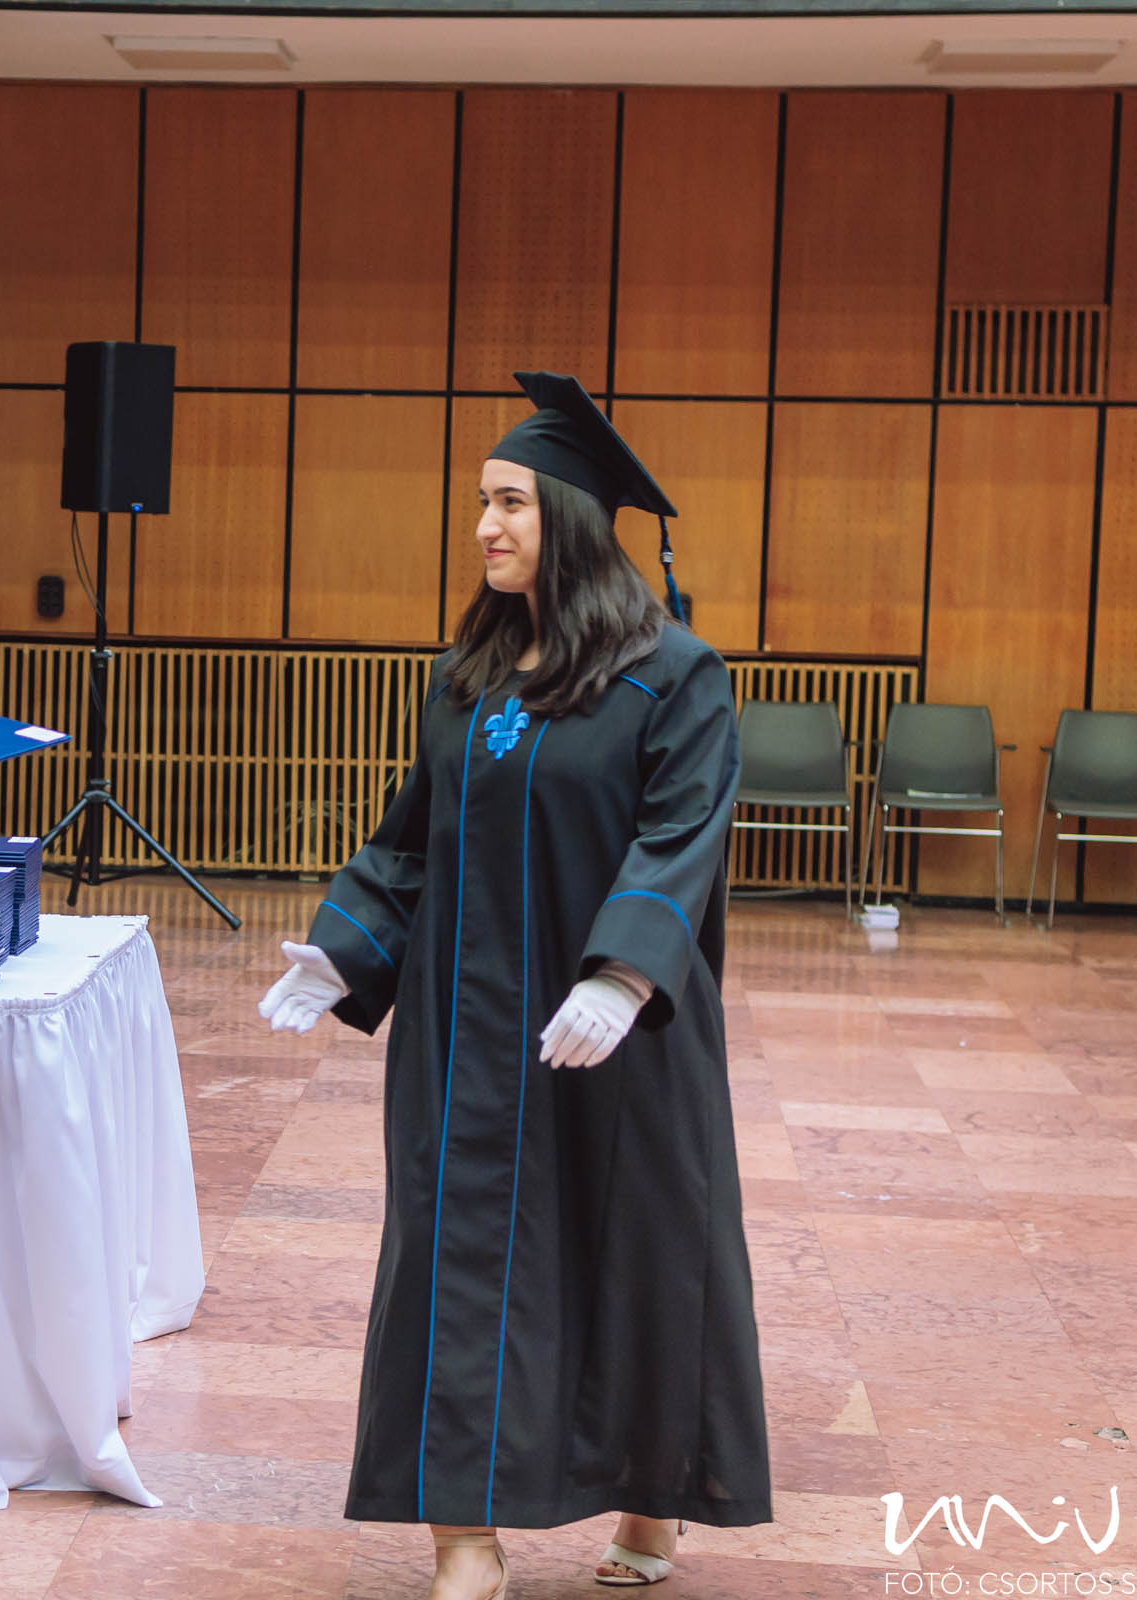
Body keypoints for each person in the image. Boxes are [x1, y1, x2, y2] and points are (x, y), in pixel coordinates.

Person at [257, 372, 770, 1599]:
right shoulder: (468, 674)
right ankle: (465, 1538)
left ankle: (651, 1501)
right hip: (465, 1040)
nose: (485, 525)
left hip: (613, 1036)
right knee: (456, 1261)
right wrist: (343, 949)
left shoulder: (674, 675)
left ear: (571, 521)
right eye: (483, 501)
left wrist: (625, 975)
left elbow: (681, 834)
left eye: (511, 503)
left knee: (635, 1255)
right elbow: (411, 839)